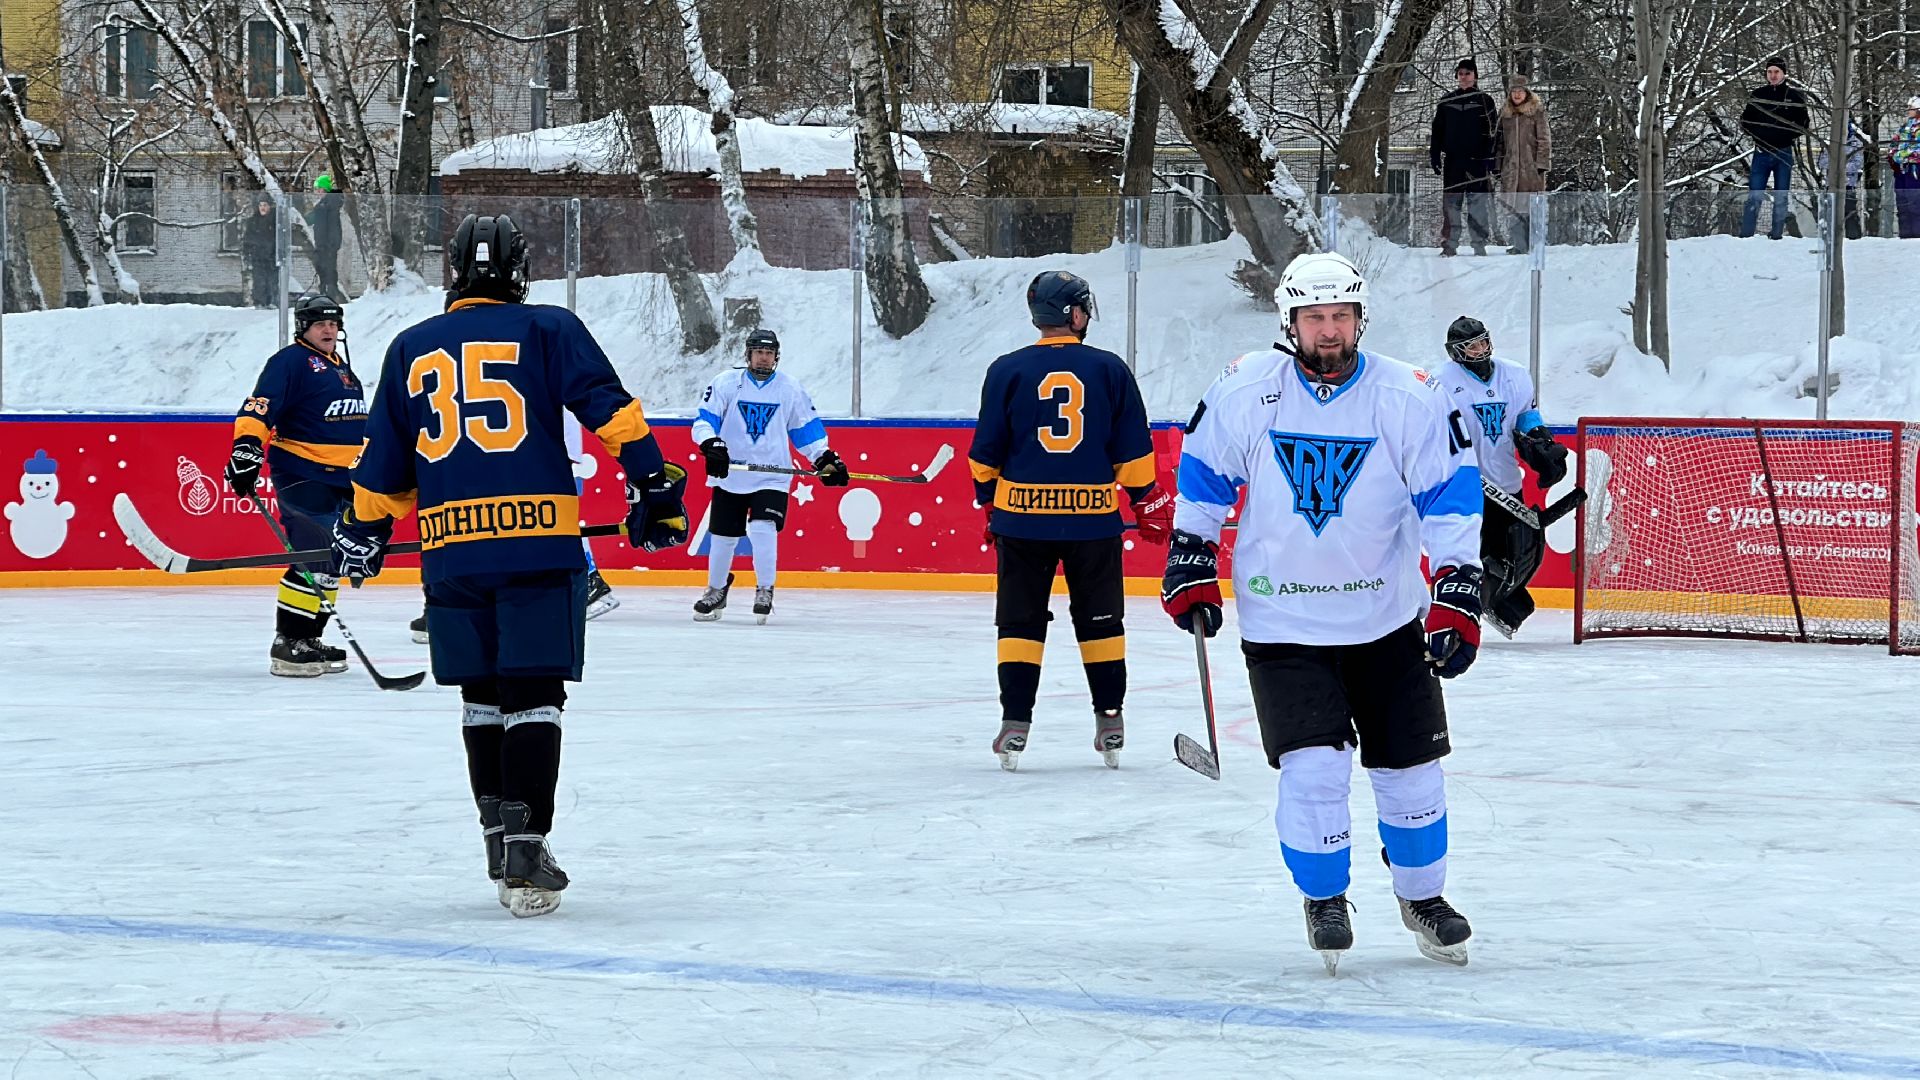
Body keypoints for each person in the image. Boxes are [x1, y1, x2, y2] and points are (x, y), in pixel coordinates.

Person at [330, 213, 689, 918]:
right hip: (535, 543)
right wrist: (653, 484)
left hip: (450, 553)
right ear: (519, 273)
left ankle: (498, 841)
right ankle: (527, 842)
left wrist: (361, 529)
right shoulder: (549, 328)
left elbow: (385, 468)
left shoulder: (410, 346)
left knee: (483, 698)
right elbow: (610, 413)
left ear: (454, 273)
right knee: (533, 695)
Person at [1161, 251, 1482, 973]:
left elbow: (1450, 498)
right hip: (1283, 624)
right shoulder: (1246, 389)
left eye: (1341, 316)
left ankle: (1423, 897)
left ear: (1360, 319)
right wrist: (1190, 552)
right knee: (1313, 770)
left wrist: (1459, 585)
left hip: (1387, 621)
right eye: (1314, 318)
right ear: (1291, 322)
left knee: (1413, 771)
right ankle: (1325, 896)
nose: (1329, 332)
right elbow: (1205, 477)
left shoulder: (1410, 395)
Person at [968, 271, 1173, 772]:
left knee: (1019, 621)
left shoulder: (1006, 370)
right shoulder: (1109, 369)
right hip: (1093, 522)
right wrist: (1145, 501)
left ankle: (1015, 720)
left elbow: (984, 457)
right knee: (1101, 620)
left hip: (1022, 522)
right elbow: (1132, 454)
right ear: (1073, 314)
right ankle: (1110, 715)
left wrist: (989, 500)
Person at [224, 293, 366, 677]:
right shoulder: (289, 361)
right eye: (320, 323)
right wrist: (247, 448)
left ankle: (310, 637)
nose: (329, 330)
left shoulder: (342, 369)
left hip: (344, 477)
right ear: (304, 326)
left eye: (334, 324)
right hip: (303, 473)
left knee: (333, 557)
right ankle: (288, 641)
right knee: (314, 550)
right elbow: (257, 408)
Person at [689, 328, 846, 624]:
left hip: (772, 475)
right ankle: (716, 589)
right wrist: (712, 444)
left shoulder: (789, 389)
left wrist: (824, 457)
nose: (764, 358)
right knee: (722, 538)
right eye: (759, 352)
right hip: (731, 473)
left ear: (776, 357)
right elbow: (704, 421)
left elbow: (805, 431)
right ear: (748, 354)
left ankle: (764, 589)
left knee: (763, 528)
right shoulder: (725, 383)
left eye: (769, 353)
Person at [1431, 316, 1567, 637]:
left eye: (1482, 342)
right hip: (1464, 485)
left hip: (1505, 484)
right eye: (1471, 346)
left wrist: (1543, 447)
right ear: (1455, 352)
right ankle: (1461, 612)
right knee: (1467, 554)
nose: (1480, 349)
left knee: (1519, 551)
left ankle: (1498, 603)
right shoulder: (1440, 382)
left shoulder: (1515, 375)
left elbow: (1527, 420)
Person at [1429, 58, 1499, 257]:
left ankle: (1479, 244)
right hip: (1453, 161)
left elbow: (1493, 132)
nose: (1464, 77)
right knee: (1451, 205)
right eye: (1461, 73)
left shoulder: (1485, 101)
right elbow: (1437, 131)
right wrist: (1434, 155)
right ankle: (1450, 244)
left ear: (1475, 76)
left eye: (1468, 73)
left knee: (1477, 205)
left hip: (1477, 162)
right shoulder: (1447, 100)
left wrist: (1490, 158)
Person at [1738, 56, 1811, 240]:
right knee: (1754, 195)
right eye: (1769, 72)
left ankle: (1776, 235)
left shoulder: (1794, 96)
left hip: (1783, 152)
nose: (1773, 75)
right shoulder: (1758, 95)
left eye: (1776, 72)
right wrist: (1760, 135)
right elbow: (1745, 121)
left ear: (1784, 73)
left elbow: (1803, 123)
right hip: (1761, 152)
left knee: (1781, 197)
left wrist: (1783, 136)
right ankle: (1746, 236)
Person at [1495, 74, 1550, 255]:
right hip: (1511, 170)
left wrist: (1541, 163)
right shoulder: (1505, 115)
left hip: (1531, 170)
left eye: (1520, 91)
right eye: (1514, 92)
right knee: (1513, 207)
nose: (1517, 95)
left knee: (1531, 208)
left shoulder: (1536, 112)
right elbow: (1500, 143)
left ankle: (1533, 244)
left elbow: (1544, 139)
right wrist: (1498, 165)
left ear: (1527, 93)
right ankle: (1519, 244)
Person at [1816, 120, 1866, 241]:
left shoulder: (1855, 143)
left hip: (1848, 184)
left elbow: (1858, 163)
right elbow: (1822, 162)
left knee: (1850, 213)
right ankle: (1829, 239)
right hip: (1831, 184)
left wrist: (1840, 167)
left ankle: (1853, 238)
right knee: (1830, 214)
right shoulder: (1830, 143)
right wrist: (1836, 166)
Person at [307, 174, 344, 301]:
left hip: (326, 245)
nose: (317, 192)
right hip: (324, 244)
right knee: (325, 269)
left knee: (327, 270)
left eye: (319, 189)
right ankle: (327, 292)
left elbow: (329, 226)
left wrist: (329, 244)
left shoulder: (327, 205)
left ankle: (328, 294)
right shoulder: (325, 204)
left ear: (325, 189)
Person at [1889, 98, 1920, 239]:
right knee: (1902, 204)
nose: (1908, 110)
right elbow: (1894, 144)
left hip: (1915, 169)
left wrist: (1902, 155)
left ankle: (1916, 235)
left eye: (1911, 108)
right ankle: (1905, 235)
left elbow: (1917, 149)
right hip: (1902, 170)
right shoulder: (1905, 126)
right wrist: (1894, 155)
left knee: (1915, 204)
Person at [243, 195, 279, 308]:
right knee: (259, 280)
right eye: (260, 205)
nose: (262, 208)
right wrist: (248, 253)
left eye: (265, 205)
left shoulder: (275, 221)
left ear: (269, 206)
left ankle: (271, 301)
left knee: (271, 281)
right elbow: (247, 239)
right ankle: (259, 302)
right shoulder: (253, 221)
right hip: (258, 256)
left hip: (272, 256)